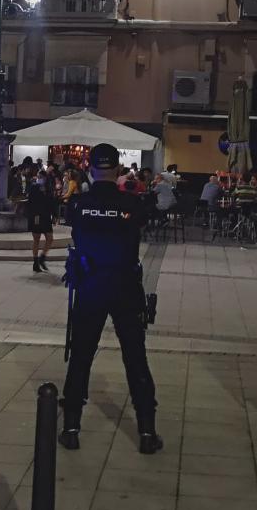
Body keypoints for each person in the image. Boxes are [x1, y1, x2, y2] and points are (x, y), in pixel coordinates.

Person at [60, 144, 162, 455]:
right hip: (125, 287)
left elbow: (76, 234)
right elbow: (145, 220)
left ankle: (71, 427)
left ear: (89, 169)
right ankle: (146, 431)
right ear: (118, 169)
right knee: (135, 358)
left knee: (81, 356)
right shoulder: (132, 203)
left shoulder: (77, 204)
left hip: (90, 286)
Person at [26, 169, 55, 273]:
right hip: (36, 215)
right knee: (36, 239)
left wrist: (54, 214)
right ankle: (35, 262)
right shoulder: (34, 187)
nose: (39, 179)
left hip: (46, 216)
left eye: (41, 177)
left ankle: (42, 257)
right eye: (38, 177)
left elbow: (51, 201)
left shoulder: (48, 188)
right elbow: (30, 201)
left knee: (50, 238)